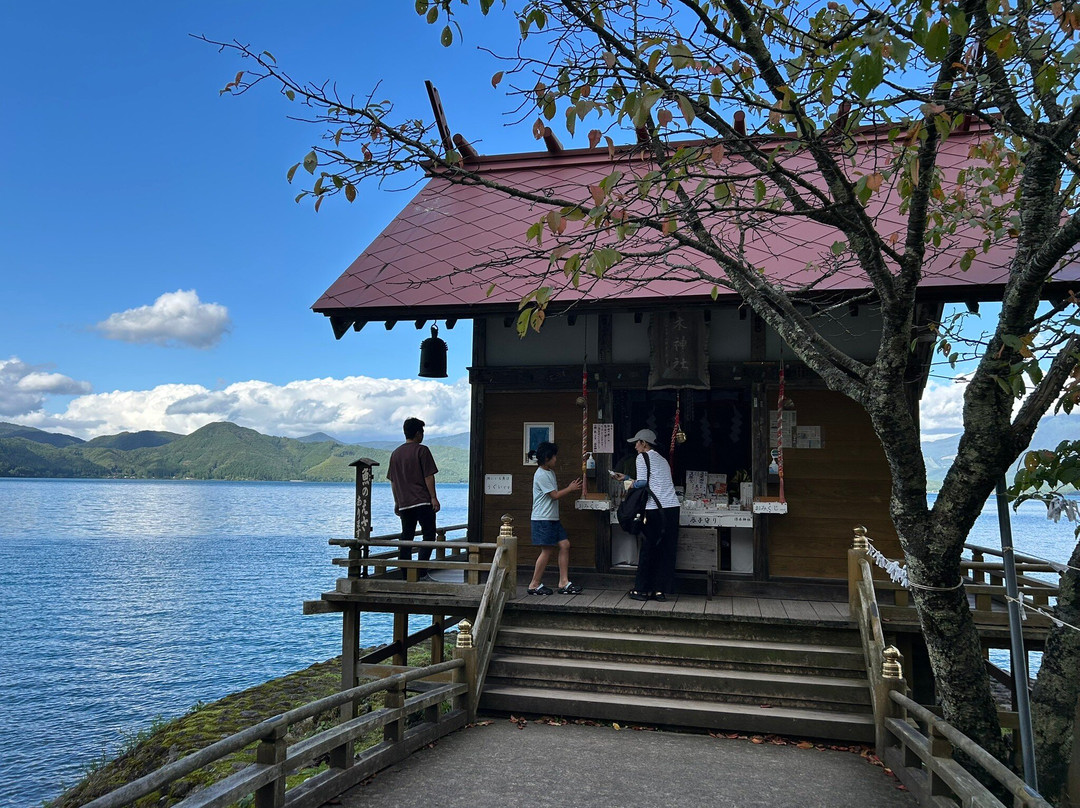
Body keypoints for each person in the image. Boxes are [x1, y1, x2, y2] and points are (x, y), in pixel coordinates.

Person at [614, 428, 680, 601]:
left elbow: (642, 483)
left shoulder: (642, 457)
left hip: (654, 508)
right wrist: (628, 478)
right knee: (666, 551)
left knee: (648, 549)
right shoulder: (663, 460)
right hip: (672, 507)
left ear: (644, 443)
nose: (635, 446)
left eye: (637, 442)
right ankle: (660, 591)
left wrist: (627, 481)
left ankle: (641, 590)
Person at [387, 417, 440, 581]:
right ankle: (421, 572)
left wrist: (397, 502)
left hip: (404, 504)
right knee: (429, 535)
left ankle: (406, 575)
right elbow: (428, 476)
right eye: (422, 432)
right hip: (423, 501)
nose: (422, 435)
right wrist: (433, 497)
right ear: (418, 433)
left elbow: (393, 482)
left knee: (406, 538)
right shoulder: (422, 450)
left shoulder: (395, 454)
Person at [527, 441, 583, 595]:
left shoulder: (549, 472)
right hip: (542, 518)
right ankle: (534, 584)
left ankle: (563, 582)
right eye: (554, 457)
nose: (556, 459)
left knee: (565, 545)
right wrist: (571, 489)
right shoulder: (540, 474)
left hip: (551, 518)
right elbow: (554, 495)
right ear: (547, 458)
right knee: (546, 550)